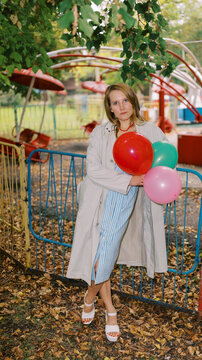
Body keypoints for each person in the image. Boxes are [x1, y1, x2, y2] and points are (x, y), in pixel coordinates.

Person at [67, 83, 168, 342]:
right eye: (115, 102)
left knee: (106, 251)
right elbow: (94, 170)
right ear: (109, 108)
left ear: (133, 102)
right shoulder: (102, 133)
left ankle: (90, 298)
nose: (121, 107)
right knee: (103, 252)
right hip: (98, 197)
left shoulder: (150, 131)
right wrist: (130, 181)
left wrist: (152, 180)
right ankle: (109, 310)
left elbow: (164, 160)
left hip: (123, 202)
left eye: (125, 100)